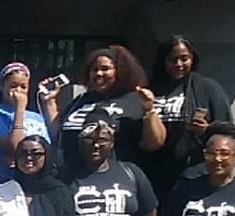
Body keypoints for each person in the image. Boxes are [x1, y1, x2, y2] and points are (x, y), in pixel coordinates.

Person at [49, 46, 165, 179]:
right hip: (73, 178)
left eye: (105, 69)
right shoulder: (81, 100)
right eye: (94, 69)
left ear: (120, 71)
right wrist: (49, 102)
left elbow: (154, 143)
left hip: (116, 181)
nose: (98, 74)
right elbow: (58, 134)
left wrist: (149, 110)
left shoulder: (135, 100)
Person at [144, 36, 235, 202]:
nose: (179, 64)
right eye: (172, 59)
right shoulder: (150, 90)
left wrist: (207, 130)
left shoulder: (208, 88)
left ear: (193, 59)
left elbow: (232, 133)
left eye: (184, 58)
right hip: (153, 173)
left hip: (193, 175)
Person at [0, 63, 51, 185]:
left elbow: (46, 148)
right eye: (13, 86)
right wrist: (19, 109)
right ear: (2, 87)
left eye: (23, 87)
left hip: (34, 181)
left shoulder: (36, 117)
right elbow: (15, 148)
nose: (18, 91)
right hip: (6, 181)